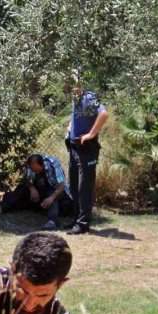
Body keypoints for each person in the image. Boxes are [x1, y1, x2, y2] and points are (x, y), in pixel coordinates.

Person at [64, 70, 109, 234]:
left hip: (87, 149)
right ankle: (76, 220)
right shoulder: (75, 99)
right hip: (74, 148)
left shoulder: (89, 97)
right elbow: (78, 117)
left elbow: (104, 114)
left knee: (85, 187)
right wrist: (70, 126)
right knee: (74, 186)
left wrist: (91, 134)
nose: (69, 87)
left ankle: (83, 224)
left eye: (73, 83)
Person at [0, 153, 73, 230]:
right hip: (40, 190)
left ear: (42, 165)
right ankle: (1, 208)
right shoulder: (30, 164)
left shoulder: (53, 163)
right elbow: (26, 179)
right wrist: (32, 188)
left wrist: (51, 198)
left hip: (57, 191)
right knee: (22, 188)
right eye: (32, 170)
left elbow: (61, 185)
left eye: (36, 170)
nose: (34, 172)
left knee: (52, 195)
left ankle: (52, 221)